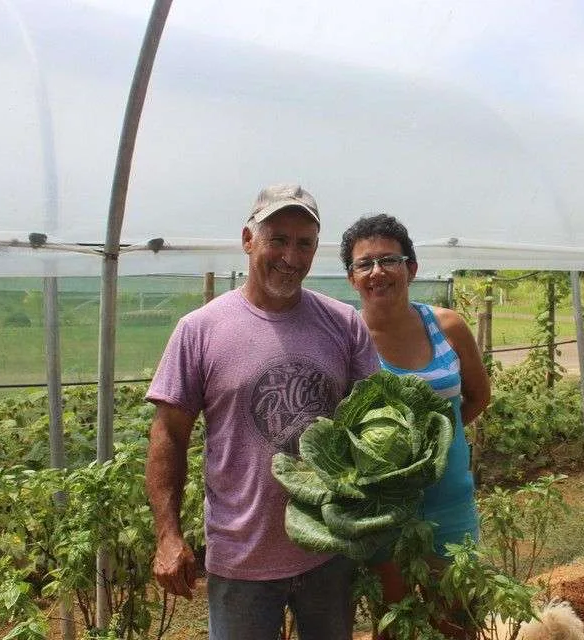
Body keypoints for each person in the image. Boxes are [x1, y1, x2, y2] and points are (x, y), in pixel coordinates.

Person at [145, 184, 379, 640]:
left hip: (329, 549)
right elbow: (168, 436)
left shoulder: (343, 323)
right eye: (278, 239)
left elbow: (374, 423)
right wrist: (167, 535)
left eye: (305, 242)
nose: (291, 255)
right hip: (241, 555)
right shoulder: (200, 330)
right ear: (248, 240)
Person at [340, 214, 491, 638]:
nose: (377, 272)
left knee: (458, 621)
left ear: (412, 267)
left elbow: (478, 395)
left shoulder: (448, 327)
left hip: (451, 502)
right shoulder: (347, 338)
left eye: (389, 259)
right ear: (352, 279)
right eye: (363, 265)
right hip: (385, 511)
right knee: (395, 624)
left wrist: (437, 445)